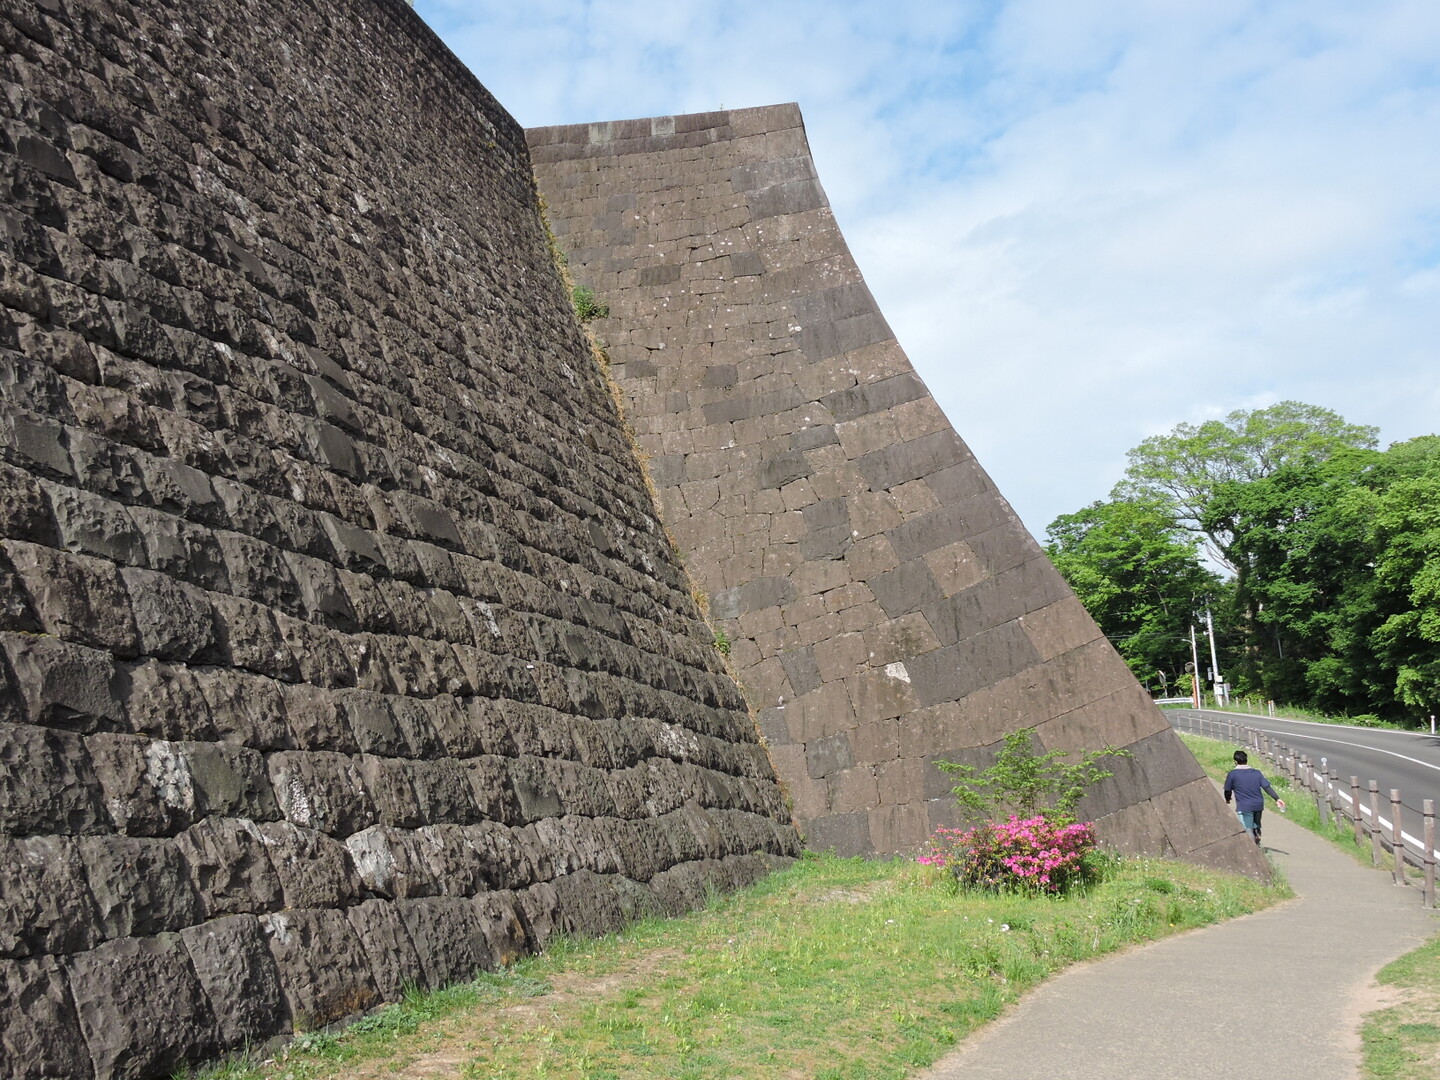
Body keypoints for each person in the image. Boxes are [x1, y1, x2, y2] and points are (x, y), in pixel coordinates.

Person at [1224, 750, 1285, 845]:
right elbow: (1266, 787)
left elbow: (1227, 790)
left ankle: (1254, 849)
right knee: (1256, 825)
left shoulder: (1232, 774)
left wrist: (1228, 799)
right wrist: (1277, 798)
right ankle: (1257, 834)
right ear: (1246, 760)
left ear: (1235, 761)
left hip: (1244, 806)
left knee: (1248, 829)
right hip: (1258, 804)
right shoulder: (1257, 773)